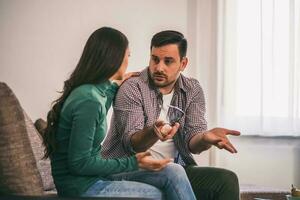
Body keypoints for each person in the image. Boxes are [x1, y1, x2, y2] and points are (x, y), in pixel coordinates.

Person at [42, 27, 196, 200]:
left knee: (173, 171)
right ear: (114, 58)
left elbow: (101, 100)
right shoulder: (88, 100)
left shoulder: (92, 92)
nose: (129, 60)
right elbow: (79, 164)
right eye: (128, 55)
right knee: (155, 195)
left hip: (92, 178)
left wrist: (116, 85)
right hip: (80, 187)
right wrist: (134, 162)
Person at [102, 30, 241, 200]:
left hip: (175, 169)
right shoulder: (133, 87)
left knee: (226, 180)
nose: (159, 67)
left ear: (183, 63)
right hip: (129, 168)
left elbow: (193, 144)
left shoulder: (192, 89)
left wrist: (205, 138)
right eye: (155, 59)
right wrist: (154, 132)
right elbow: (133, 144)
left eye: (168, 61)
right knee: (172, 173)